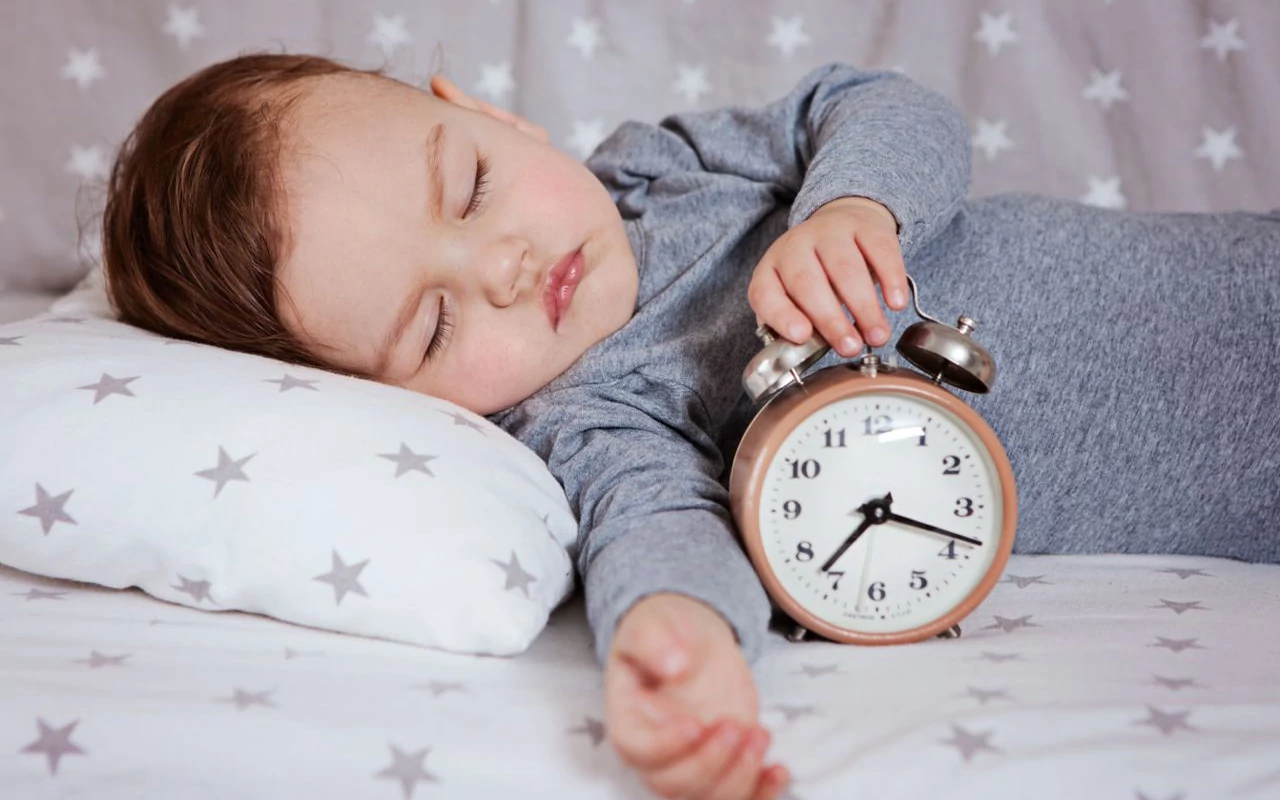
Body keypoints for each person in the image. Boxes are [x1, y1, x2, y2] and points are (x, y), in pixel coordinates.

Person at [101, 52, 1280, 800]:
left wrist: (849, 207)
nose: (501, 263)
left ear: (489, 114)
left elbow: (881, 103)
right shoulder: (584, 413)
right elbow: (656, 526)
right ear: (396, 405)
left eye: (469, 188)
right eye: (435, 323)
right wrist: (675, 640)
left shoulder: (664, 165)